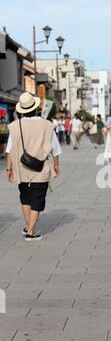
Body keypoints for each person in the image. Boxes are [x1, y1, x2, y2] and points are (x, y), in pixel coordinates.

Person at [6, 92, 62, 242]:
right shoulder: (47, 125)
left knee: (25, 198)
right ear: (36, 108)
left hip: (21, 168)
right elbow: (55, 148)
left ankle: (27, 226)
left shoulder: (14, 126)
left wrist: (9, 169)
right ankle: (31, 231)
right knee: (38, 199)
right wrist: (56, 165)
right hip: (41, 168)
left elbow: (9, 150)